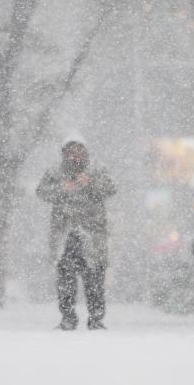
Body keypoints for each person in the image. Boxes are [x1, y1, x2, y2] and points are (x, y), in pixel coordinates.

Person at [36, 140, 116, 330]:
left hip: (93, 234)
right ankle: (68, 318)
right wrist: (61, 189)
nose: (74, 157)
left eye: (78, 152)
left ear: (85, 152)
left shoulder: (97, 169)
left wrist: (91, 183)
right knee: (65, 279)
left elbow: (111, 188)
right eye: (70, 153)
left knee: (95, 278)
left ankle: (96, 318)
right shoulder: (55, 171)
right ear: (63, 154)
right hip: (65, 234)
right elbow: (41, 191)